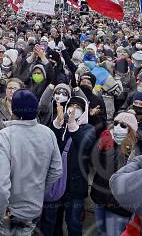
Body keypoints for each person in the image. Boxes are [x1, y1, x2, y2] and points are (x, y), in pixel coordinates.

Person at [0, 89, 63, 236]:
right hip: (33, 209)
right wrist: (38, 190)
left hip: (7, 212)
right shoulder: (48, 133)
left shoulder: (4, 136)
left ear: (14, 110)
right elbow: (56, 170)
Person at [41, 93, 96, 236]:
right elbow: (47, 142)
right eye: (71, 105)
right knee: (50, 222)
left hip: (75, 188)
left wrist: (72, 125)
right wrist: (58, 123)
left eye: (78, 107)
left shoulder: (88, 128)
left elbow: (85, 144)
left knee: (74, 224)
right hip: (54, 184)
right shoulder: (60, 125)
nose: (73, 109)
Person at [90, 111, 142, 236]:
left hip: (118, 205)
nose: (118, 127)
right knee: (101, 231)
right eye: (116, 123)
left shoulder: (138, 149)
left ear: (131, 129)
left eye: (123, 125)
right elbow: (96, 165)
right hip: (100, 197)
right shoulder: (108, 140)